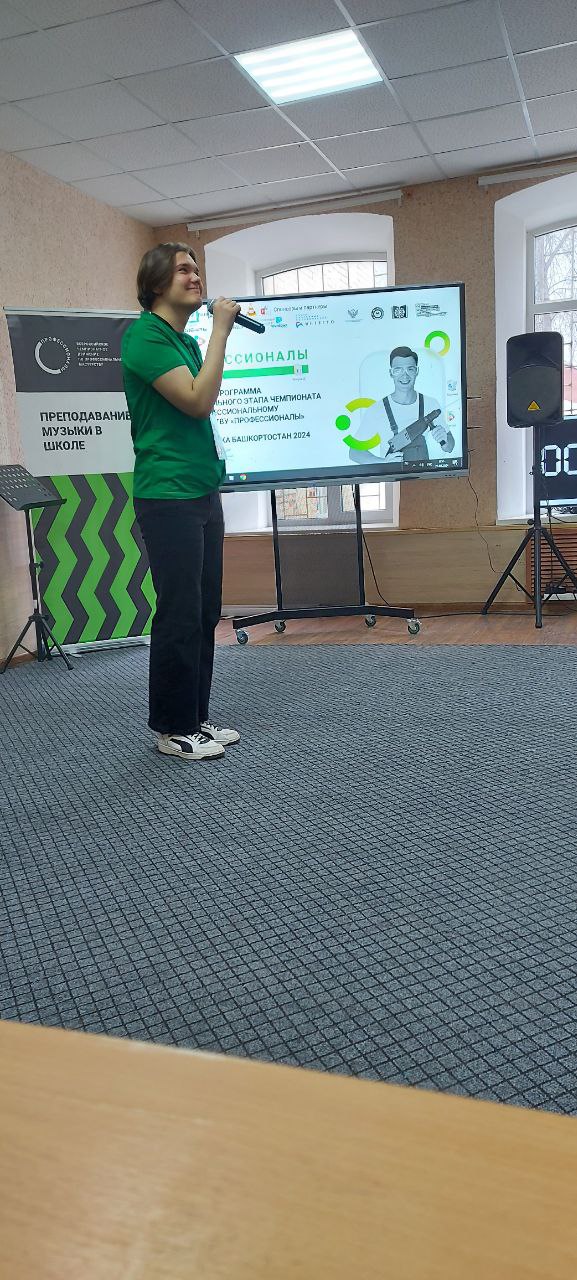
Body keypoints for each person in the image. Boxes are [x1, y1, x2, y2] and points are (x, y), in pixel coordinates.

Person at [121, 242, 241, 762]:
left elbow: (201, 396)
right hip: (167, 495)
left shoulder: (185, 340)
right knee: (180, 610)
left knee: (206, 607)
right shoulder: (144, 336)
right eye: (184, 270)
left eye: (197, 269)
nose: (196, 277)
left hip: (202, 490)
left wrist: (210, 338)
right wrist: (221, 331)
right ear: (155, 284)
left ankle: (194, 715)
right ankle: (172, 727)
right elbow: (197, 401)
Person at [350, 346, 455, 464]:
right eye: (398, 370)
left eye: (410, 369)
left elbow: (450, 447)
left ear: (416, 371)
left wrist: (445, 441)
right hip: (391, 474)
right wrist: (383, 462)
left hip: (423, 474)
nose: (405, 376)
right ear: (391, 373)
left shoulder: (431, 404)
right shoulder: (377, 409)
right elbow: (354, 452)